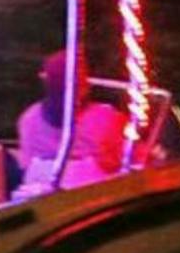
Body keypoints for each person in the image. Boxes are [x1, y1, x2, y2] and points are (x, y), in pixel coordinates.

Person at [15, 49, 125, 192]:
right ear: (83, 85)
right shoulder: (105, 118)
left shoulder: (28, 119)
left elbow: (26, 168)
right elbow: (120, 165)